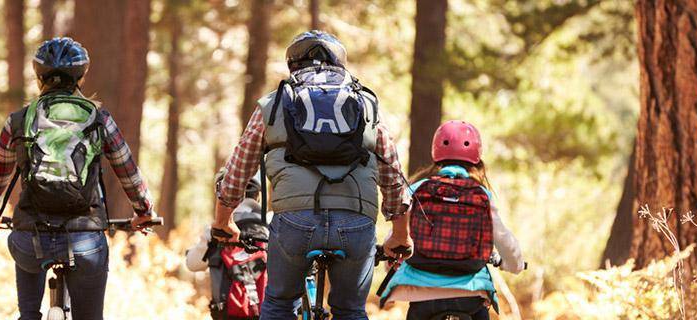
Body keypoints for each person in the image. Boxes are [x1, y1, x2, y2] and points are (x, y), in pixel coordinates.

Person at [212, 30, 413, 320]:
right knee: (351, 310)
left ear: (293, 64)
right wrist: (399, 233)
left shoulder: (274, 103)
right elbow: (393, 174)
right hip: (356, 223)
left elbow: (238, 169)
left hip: (295, 222)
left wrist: (223, 221)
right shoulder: (367, 104)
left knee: (279, 305)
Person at [0, 37, 156, 320]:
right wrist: (144, 212)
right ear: (81, 77)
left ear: (39, 78)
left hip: (29, 239)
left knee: (28, 313)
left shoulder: (19, 120)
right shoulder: (99, 118)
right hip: (85, 240)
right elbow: (128, 171)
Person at [378, 121, 525, 320]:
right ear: (477, 157)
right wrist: (514, 264)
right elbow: (504, 239)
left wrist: (391, 263)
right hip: (471, 294)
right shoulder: (481, 194)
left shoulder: (418, 188)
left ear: (435, 152)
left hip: (422, 294)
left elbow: (399, 234)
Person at [186, 169, 270, 320]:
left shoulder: (218, 229)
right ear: (258, 195)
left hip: (229, 312)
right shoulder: (270, 225)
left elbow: (192, 264)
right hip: (271, 311)